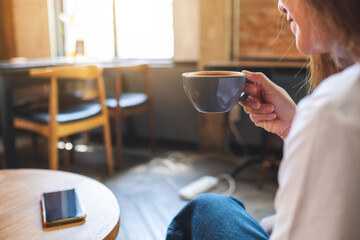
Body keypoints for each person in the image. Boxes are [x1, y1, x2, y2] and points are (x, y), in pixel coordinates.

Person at [166, 0, 360, 239]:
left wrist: (311, 127)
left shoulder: (334, 109)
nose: (280, 6)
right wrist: (296, 127)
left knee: (204, 209)